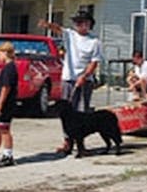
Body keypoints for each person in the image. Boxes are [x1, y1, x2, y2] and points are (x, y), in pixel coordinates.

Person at [38, 9, 103, 153]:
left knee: (81, 112)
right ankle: (67, 141)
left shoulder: (95, 42)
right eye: (76, 22)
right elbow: (58, 29)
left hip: (84, 81)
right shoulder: (70, 35)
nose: (79, 25)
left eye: (82, 22)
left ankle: (81, 143)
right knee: (66, 112)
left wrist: (84, 76)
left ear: (89, 24)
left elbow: (94, 63)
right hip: (68, 79)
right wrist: (47, 25)